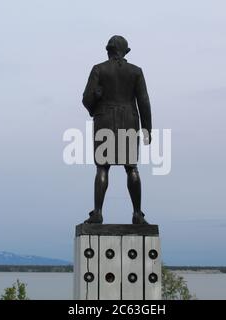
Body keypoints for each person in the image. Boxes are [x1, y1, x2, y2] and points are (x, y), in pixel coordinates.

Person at [82, 35, 152, 224]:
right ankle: (137, 214)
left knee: (102, 167)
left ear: (109, 50)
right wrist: (147, 128)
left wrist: (96, 98)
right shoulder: (135, 71)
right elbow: (143, 101)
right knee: (131, 167)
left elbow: (86, 100)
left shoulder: (99, 69)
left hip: (104, 120)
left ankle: (97, 212)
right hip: (129, 120)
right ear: (124, 51)